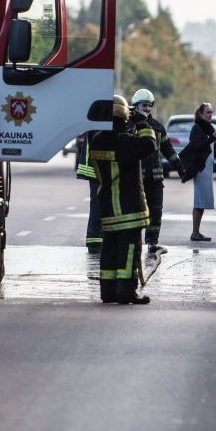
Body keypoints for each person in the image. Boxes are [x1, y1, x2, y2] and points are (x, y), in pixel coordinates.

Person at [90, 95, 158, 304]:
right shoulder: (126, 141)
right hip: (129, 210)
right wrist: (143, 123)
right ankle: (127, 292)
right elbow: (149, 145)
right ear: (124, 115)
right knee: (129, 252)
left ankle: (108, 292)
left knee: (109, 251)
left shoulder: (97, 140)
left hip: (109, 209)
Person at [130, 88, 184, 255]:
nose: (147, 108)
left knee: (155, 211)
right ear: (136, 106)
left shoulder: (158, 127)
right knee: (133, 210)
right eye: (144, 105)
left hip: (155, 178)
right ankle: (132, 242)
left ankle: (152, 243)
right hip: (134, 177)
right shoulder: (129, 125)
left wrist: (181, 169)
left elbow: (169, 150)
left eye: (149, 105)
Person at [185, 102, 216, 242]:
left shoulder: (208, 127)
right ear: (200, 114)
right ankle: (195, 232)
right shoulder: (197, 127)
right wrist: (212, 138)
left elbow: (210, 148)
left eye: (211, 112)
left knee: (202, 201)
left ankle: (196, 232)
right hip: (201, 168)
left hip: (207, 167)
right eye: (208, 112)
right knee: (200, 200)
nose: (210, 115)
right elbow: (195, 146)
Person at [74, 130, 103, 253]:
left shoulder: (95, 122)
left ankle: (94, 242)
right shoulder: (102, 124)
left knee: (97, 205)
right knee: (100, 205)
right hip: (99, 170)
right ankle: (96, 242)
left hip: (94, 169)